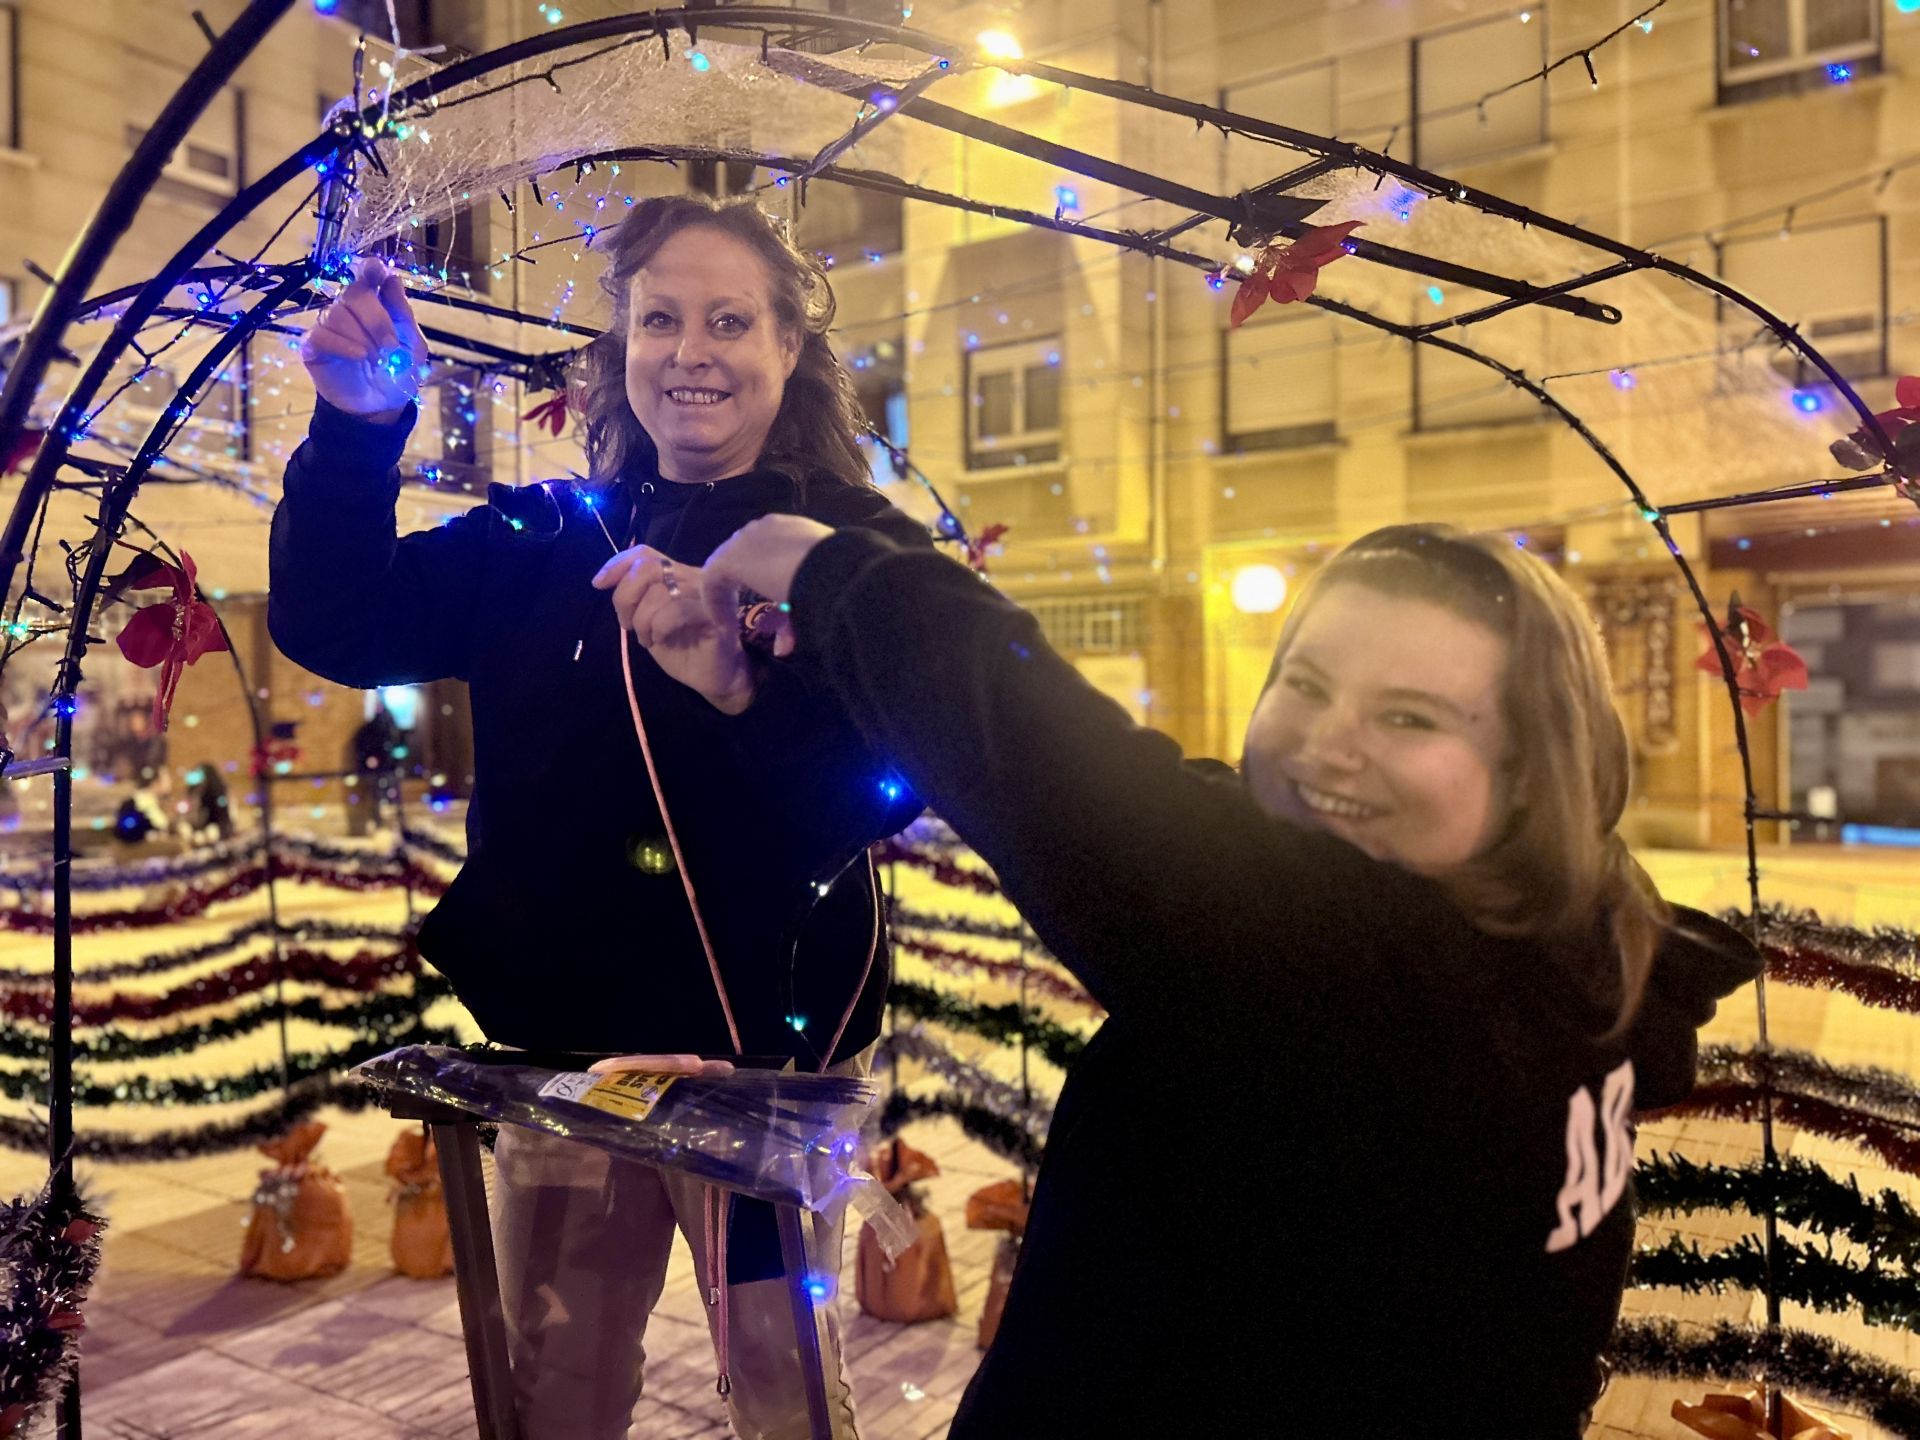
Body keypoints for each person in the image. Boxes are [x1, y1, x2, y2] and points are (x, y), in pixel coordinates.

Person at [602, 516, 1762, 1438]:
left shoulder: (1366, 981)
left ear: (1525, 777)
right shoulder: (1561, 952)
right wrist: (754, 695)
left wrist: (829, 566)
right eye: (1304, 685)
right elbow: (1140, 814)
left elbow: (1071, 785)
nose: (1329, 744)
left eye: (1410, 717)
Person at [271, 197, 927, 1440]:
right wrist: (356, 433)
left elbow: (882, 783)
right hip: (568, 1073)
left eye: (730, 320)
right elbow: (338, 624)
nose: (692, 350)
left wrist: (741, 688)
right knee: (556, 1395)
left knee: (789, 1398)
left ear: (789, 348)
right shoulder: (541, 534)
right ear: (620, 347)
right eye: (659, 318)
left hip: (762, 1073)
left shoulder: (853, 548)